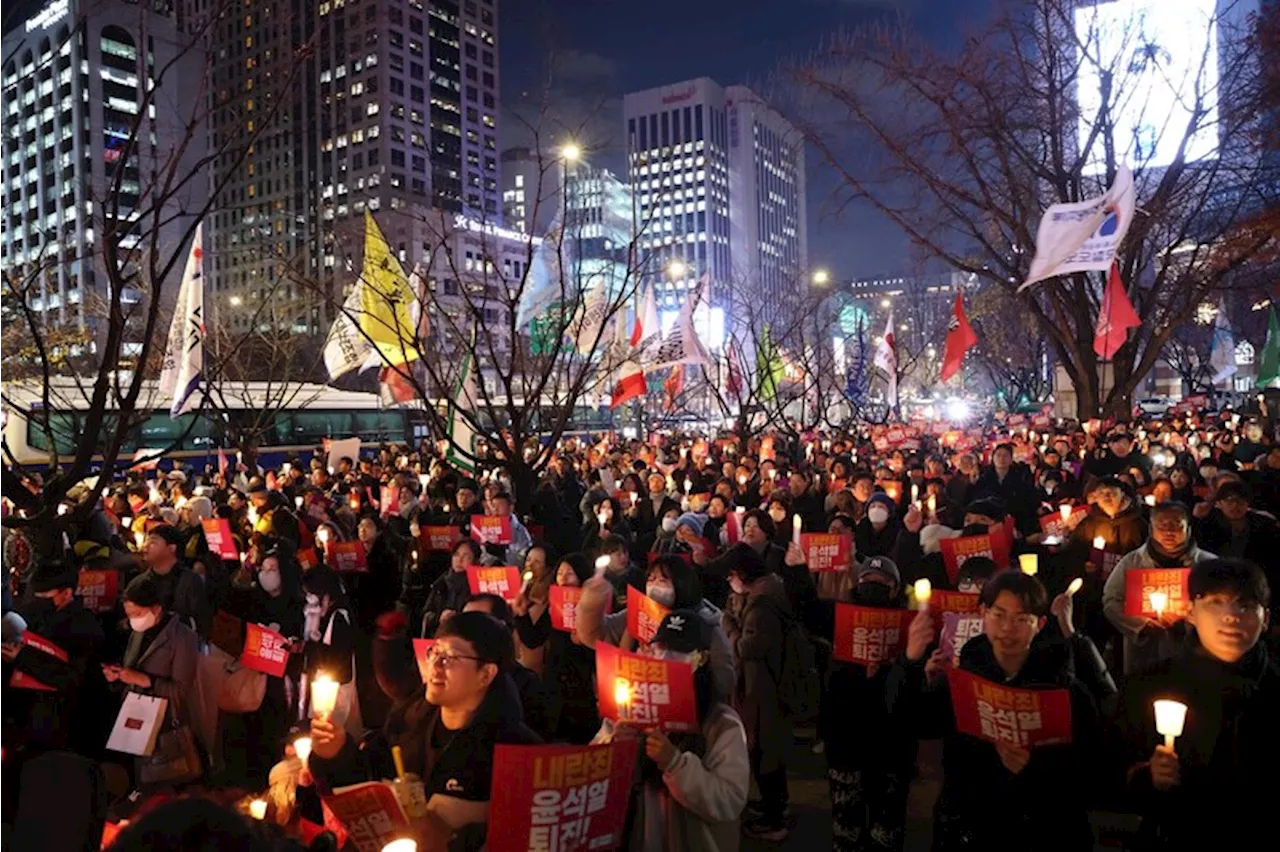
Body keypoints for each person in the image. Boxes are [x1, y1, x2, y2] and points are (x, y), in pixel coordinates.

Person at [893, 571, 1100, 851]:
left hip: (1042, 830)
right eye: (999, 615)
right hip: (969, 826)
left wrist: (1036, 766)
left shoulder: (1065, 688)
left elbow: (1093, 768)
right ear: (983, 614)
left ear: (1038, 624)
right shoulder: (961, 680)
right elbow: (913, 722)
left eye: (1021, 619)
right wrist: (911, 661)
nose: (1007, 628)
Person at [311, 611, 540, 848]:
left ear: (485, 674)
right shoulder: (408, 719)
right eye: (434, 652)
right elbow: (367, 777)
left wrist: (453, 840)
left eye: (450, 658)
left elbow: (523, 836)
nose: (436, 666)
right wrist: (336, 753)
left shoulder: (516, 752)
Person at [1112, 558, 1280, 849]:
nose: (1231, 617)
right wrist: (1147, 777)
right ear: (1190, 612)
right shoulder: (1147, 687)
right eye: (1215, 603)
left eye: (1245, 605)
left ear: (1265, 619)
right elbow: (1111, 774)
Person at [597, 610, 750, 851]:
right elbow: (593, 770)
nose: (665, 656)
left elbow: (729, 799)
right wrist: (613, 747)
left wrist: (676, 764)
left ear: (700, 659)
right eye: (659, 648)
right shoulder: (626, 711)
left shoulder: (721, 723)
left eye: (678, 650)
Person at [822, 555, 916, 852]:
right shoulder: (838, 619)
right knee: (846, 820)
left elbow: (914, 692)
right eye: (868, 581)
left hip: (891, 742)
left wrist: (898, 667)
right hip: (846, 737)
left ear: (895, 588)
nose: (874, 587)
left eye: (883, 582)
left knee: (885, 825)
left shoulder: (911, 626)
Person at [576, 553, 736, 701]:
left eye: (662, 580)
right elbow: (596, 634)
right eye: (651, 579)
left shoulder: (705, 623)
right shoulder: (637, 613)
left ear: (681, 584)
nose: (654, 585)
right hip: (635, 701)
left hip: (682, 708)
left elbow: (724, 681)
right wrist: (593, 597)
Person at [720, 545, 792, 841]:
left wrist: (729, 628)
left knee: (764, 750)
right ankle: (772, 805)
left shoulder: (762, 603)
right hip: (761, 685)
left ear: (742, 575)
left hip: (764, 688)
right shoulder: (761, 593)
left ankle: (774, 819)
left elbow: (748, 648)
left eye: (731, 576)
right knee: (765, 749)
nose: (730, 583)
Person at [106, 574, 204, 788]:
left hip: (165, 724)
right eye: (129, 614)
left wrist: (146, 681)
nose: (133, 620)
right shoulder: (137, 633)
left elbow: (181, 691)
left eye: (138, 613)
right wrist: (118, 676)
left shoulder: (182, 638)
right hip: (135, 719)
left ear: (157, 608)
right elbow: (131, 670)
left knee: (162, 785)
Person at [1104, 502, 1216, 675]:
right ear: (1151, 528)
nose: (1169, 531)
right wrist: (1141, 625)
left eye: (1177, 525)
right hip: (1145, 652)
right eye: (1162, 525)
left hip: (1195, 650)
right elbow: (1111, 601)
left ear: (1188, 528)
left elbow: (1220, 605)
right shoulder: (1132, 562)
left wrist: (1191, 619)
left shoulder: (1209, 564)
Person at [5, 561, 105, 755]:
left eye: (45, 596)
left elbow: (73, 678)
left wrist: (24, 657)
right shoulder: (42, 617)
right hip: (36, 720)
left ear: (67, 593)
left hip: (67, 727)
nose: (38, 600)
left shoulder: (85, 627)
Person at [511, 553, 601, 744]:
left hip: (581, 689)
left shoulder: (596, 607)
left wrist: (587, 640)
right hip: (554, 685)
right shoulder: (554, 607)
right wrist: (522, 615)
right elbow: (534, 640)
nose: (564, 577)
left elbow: (603, 652)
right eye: (560, 573)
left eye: (570, 573)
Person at [299, 566, 362, 736]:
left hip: (334, 690)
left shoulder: (339, 618)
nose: (309, 599)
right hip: (325, 686)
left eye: (311, 594)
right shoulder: (321, 615)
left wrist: (310, 647)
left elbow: (335, 660)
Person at [137, 525, 210, 636]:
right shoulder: (140, 581)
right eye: (146, 542)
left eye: (153, 543)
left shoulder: (190, 582)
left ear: (172, 548)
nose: (145, 547)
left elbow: (201, 624)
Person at [419, 539, 481, 638]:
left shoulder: (479, 586)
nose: (459, 560)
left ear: (476, 561)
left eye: (466, 556)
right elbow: (427, 613)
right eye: (456, 555)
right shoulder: (441, 583)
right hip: (440, 637)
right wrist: (439, 617)